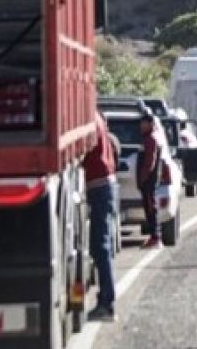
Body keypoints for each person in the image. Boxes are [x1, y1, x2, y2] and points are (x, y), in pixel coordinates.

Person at [84, 112, 120, 321]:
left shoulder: (91, 122)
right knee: (99, 245)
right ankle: (105, 300)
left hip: (100, 187)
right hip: (104, 186)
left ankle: (107, 302)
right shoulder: (97, 119)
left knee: (101, 245)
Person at [136, 107, 165, 249]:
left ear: (150, 124)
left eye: (144, 122)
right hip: (148, 181)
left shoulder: (151, 139)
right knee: (149, 208)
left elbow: (150, 162)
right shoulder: (148, 138)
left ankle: (156, 237)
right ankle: (154, 236)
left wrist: (143, 177)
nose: (141, 125)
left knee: (151, 208)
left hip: (149, 181)